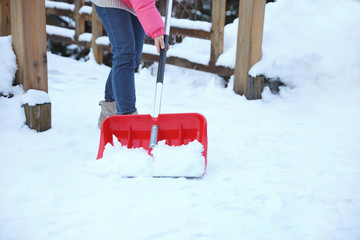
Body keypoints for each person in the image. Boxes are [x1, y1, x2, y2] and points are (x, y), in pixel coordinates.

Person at [91, 0, 166, 128]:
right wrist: (157, 30)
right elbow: (144, 3)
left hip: (133, 4)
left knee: (133, 57)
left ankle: (109, 108)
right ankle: (128, 119)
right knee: (125, 54)